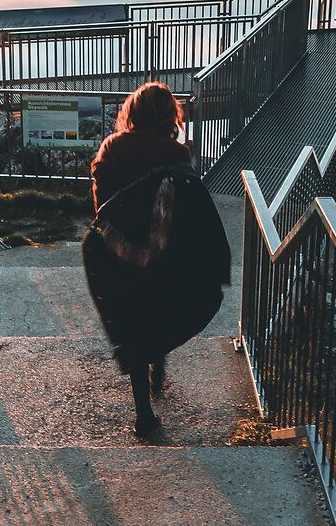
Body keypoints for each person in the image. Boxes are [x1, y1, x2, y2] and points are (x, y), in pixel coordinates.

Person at [84, 81, 230, 438]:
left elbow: (101, 206)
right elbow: (188, 210)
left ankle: (144, 414)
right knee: (161, 306)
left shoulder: (112, 148)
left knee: (132, 317)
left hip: (120, 252)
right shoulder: (178, 155)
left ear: (132, 113)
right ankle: (158, 356)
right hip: (165, 252)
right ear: (169, 116)